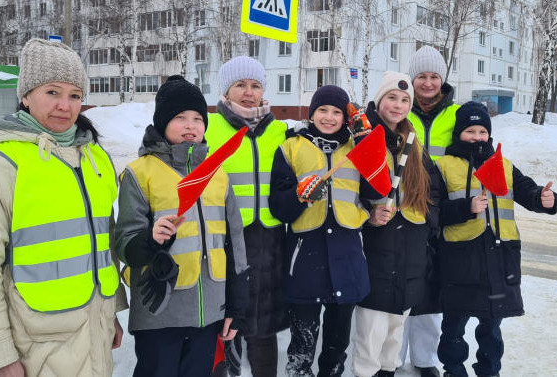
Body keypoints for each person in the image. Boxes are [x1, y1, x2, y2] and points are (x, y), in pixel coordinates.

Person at [0, 38, 126, 376]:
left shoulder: (95, 159)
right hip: (37, 347)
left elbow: (102, 246)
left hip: (96, 332)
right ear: (26, 95)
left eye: (75, 95)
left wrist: (112, 312)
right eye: (52, 92)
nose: (65, 105)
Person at [114, 76, 249, 377]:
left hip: (209, 312)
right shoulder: (140, 173)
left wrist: (236, 307)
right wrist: (151, 239)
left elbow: (234, 244)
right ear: (162, 122)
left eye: (198, 118)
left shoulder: (217, 174)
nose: (191, 126)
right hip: (159, 312)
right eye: (180, 117)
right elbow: (125, 243)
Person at [434, 101, 557, 377]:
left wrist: (544, 199)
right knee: (453, 326)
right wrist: (466, 208)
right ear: (459, 134)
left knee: (491, 328)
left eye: (482, 131)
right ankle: (453, 370)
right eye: (470, 131)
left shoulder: (503, 164)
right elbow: (433, 212)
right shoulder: (442, 166)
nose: (477, 137)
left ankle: (489, 371)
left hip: (498, 261)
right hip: (460, 263)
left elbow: (528, 192)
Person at [269, 85, 370, 377]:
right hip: (305, 260)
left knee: (337, 345)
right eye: (322, 110)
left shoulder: (356, 149)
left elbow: (377, 190)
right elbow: (279, 207)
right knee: (302, 345)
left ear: (345, 117)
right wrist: (298, 196)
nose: (329, 117)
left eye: (337, 112)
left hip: (346, 256)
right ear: (311, 114)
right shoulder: (291, 148)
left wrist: (366, 144)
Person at [351, 72, 442, 377]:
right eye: (392, 97)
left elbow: (433, 190)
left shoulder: (413, 142)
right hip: (378, 246)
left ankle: (389, 371)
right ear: (379, 99)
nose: (399, 105)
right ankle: (366, 372)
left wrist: (428, 224)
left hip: (410, 248)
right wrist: (368, 218)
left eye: (405, 100)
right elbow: (348, 191)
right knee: (372, 328)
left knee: (395, 329)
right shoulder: (362, 136)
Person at [205, 56, 288, 377]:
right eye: (240, 85)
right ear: (226, 90)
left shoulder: (279, 131)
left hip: (269, 240)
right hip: (225, 240)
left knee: (263, 327)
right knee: (227, 323)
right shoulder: (210, 128)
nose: (248, 92)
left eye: (255, 85)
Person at [403, 45, 460, 377]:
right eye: (421, 76)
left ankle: (425, 359)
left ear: (443, 79)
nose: (427, 83)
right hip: (404, 209)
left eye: (433, 76)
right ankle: (390, 356)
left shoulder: (455, 115)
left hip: (442, 210)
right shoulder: (400, 110)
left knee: (431, 287)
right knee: (399, 282)